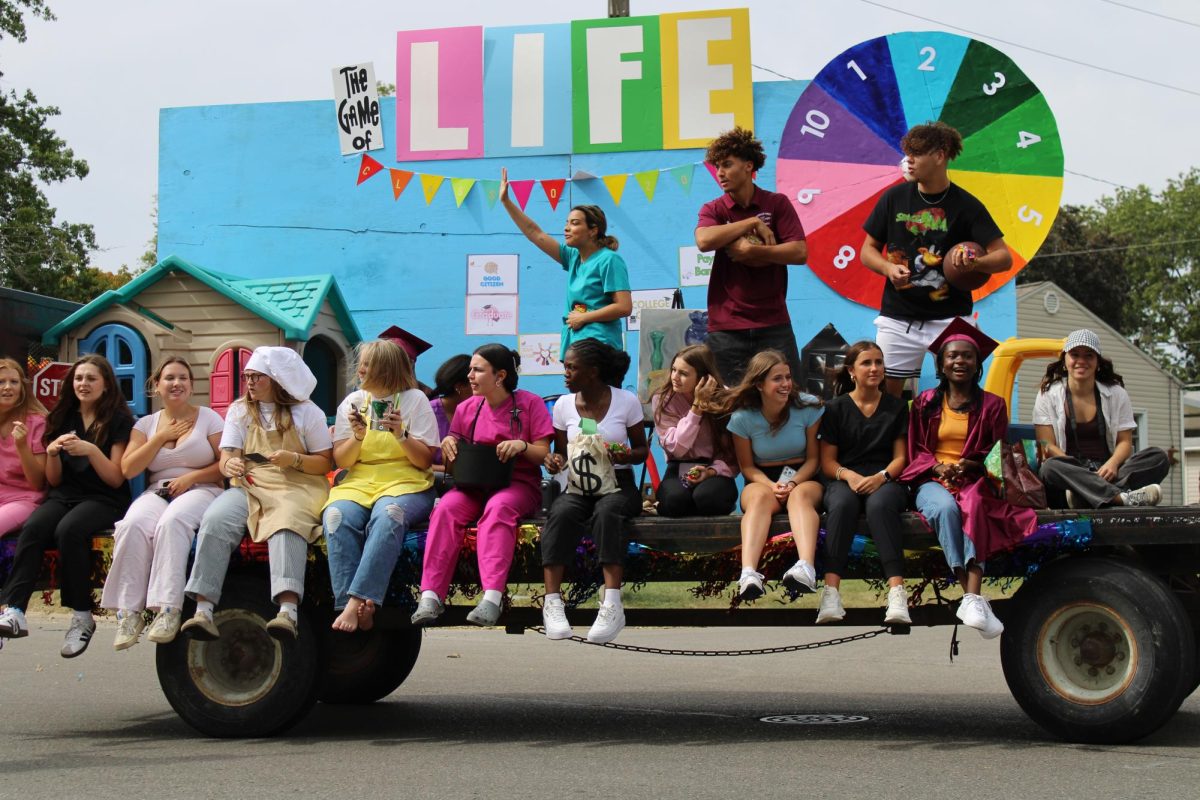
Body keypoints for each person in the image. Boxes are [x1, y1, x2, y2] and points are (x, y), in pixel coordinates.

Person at [182, 347, 333, 641]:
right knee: (215, 518)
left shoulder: (307, 412)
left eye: (256, 377)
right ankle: (203, 608)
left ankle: (288, 611)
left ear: (276, 379)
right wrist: (231, 464)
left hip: (297, 485)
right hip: (250, 483)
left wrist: (294, 459)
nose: (249, 382)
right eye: (246, 376)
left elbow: (325, 462)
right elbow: (226, 458)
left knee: (287, 522)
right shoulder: (239, 410)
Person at [901, 319, 1036, 639]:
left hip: (973, 480)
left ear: (977, 364)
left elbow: (996, 454)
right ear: (942, 363)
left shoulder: (992, 405)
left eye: (967, 356)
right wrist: (935, 468)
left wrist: (969, 465)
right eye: (952, 356)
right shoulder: (923, 403)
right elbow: (914, 450)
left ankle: (972, 598)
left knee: (974, 506)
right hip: (931, 481)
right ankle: (973, 597)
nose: (959, 361)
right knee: (945, 509)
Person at [860, 121, 1013, 396]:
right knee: (887, 400)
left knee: (961, 395)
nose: (909, 160)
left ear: (940, 156)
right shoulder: (893, 198)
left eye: (916, 153)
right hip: (898, 318)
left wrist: (975, 263)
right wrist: (888, 268)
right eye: (908, 152)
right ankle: (897, 441)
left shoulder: (967, 206)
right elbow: (867, 251)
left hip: (950, 318)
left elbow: (1003, 258)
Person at [411, 344, 553, 628]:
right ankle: (430, 595)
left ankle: (492, 597)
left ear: (500, 375)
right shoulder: (467, 408)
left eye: (477, 370)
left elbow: (543, 453)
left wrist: (522, 445)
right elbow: (454, 445)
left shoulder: (529, 404)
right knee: (446, 510)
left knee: (498, 509)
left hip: (517, 483)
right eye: (470, 370)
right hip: (474, 483)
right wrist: (450, 443)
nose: (470, 376)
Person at [0, 355, 132, 657]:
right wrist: (53, 453)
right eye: (79, 379)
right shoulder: (62, 417)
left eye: (91, 379)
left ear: (106, 385)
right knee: (35, 527)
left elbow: (114, 478)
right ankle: (15, 610)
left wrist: (90, 450)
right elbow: (53, 480)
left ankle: (82, 617)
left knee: (69, 531)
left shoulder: (119, 421)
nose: (84, 384)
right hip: (64, 495)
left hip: (103, 499)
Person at [100, 357, 224, 648]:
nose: (176, 383)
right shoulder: (146, 424)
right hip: (160, 490)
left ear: (192, 385)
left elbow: (225, 463)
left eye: (183, 377)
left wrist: (192, 478)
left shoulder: (209, 418)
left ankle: (168, 608)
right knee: (132, 524)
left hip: (203, 488)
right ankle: (128, 612)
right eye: (169, 378)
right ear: (157, 386)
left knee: (172, 522)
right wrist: (160, 438)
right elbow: (129, 468)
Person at [324, 339, 439, 633]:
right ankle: (361, 608)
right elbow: (342, 460)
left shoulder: (415, 400)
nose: (360, 370)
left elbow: (425, 460)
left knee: (389, 514)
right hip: (360, 480)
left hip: (406, 480)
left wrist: (401, 434)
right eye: (361, 363)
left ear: (385, 368)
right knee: (337, 517)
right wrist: (358, 436)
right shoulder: (352, 402)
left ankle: (353, 601)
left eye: (367, 364)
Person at [540, 338, 648, 644]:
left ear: (593, 372)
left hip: (617, 482)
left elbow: (641, 449)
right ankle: (552, 603)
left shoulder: (625, 401)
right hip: (578, 484)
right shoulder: (563, 405)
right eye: (565, 366)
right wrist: (554, 460)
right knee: (560, 513)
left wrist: (626, 454)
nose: (565, 373)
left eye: (572, 367)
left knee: (608, 511)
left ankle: (612, 602)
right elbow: (561, 454)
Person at [694, 126, 808, 385]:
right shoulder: (714, 208)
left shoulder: (777, 203)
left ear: (748, 166)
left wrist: (753, 250)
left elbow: (800, 252)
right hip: (726, 327)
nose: (720, 173)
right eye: (717, 167)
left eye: (727, 165)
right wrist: (751, 223)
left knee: (791, 398)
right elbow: (704, 240)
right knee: (727, 406)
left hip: (774, 322)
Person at [817, 341, 910, 625]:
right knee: (842, 505)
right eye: (867, 363)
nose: (874, 368)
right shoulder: (834, 409)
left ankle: (897, 595)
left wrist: (881, 477)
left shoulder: (897, 407)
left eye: (879, 362)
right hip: (845, 478)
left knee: (880, 506)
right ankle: (830, 593)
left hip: (885, 479)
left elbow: (901, 458)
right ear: (851, 371)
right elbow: (828, 462)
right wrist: (850, 476)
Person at [725, 349, 824, 601]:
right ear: (759, 384)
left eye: (788, 377)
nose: (786, 384)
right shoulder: (742, 418)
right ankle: (748, 573)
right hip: (762, 477)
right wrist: (771, 485)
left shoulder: (809, 407)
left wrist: (791, 482)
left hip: (803, 474)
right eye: (777, 379)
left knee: (800, 497)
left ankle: (806, 568)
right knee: (757, 499)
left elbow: (814, 459)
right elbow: (747, 467)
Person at [499, 167, 632, 355]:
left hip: (600, 347)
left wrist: (584, 318)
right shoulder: (573, 257)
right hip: (575, 344)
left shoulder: (609, 260)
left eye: (575, 223)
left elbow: (624, 307)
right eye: (567, 223)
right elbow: (534, 233)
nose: (566, 228)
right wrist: (506, 202)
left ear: (593, 230)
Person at [1034, 329, 1169, 508]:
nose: (1081, 361)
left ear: (1097, 362)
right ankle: (1119, 498)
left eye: (1089, 355)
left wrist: (1112, 464)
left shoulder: (1116, 393)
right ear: (1065, 360)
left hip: (1108, 471)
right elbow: (1047, 446)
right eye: (1075, 355)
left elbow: (1125, 442)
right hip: (1070, 472)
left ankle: (1085, 497)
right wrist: (1079, 471)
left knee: (1158, 457)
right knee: (1049, 468)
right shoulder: (1048, 394)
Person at [650, 344, 738, 517]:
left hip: (714, 470)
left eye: (683, 373)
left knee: (707, 498)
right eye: (673, 370)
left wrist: (712, 471)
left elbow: (733, 455)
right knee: (676, 500)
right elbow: (678, 448)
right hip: (678, 468)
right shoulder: (663, 398)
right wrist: (697, 408)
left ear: (703, 378)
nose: (675, 377)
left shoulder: (725, 399)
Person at [0, 357, 47, 537]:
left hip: (24, 499)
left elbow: (37, 483)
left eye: (14, 382)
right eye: (1, 381)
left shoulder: (37, 422)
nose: (7, 387)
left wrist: (21, 446)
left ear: (22, 389)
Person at [428, 353, 471, 483]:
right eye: (473, 382)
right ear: (459, 387)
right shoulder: (429, 413)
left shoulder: (478, 412)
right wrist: (448, 470)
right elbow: (417, 462)